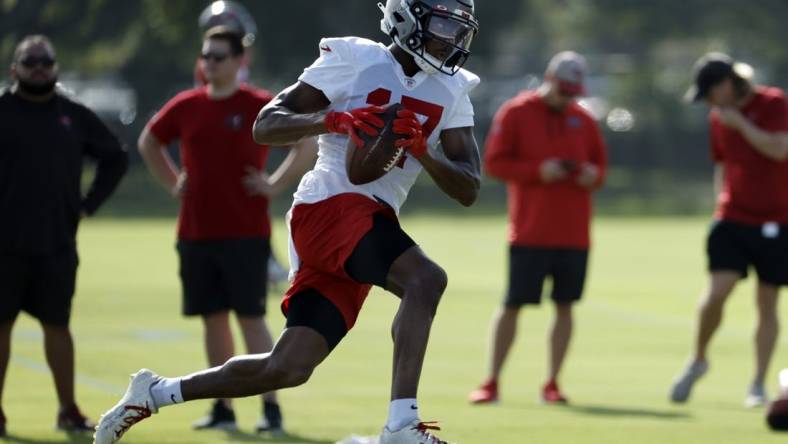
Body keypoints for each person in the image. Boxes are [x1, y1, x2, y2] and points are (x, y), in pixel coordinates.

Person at [94, 1, 480, 443]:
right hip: (329, 205)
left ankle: (155, 392)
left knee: (289, 366)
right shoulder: (357, 59)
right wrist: (330, 119)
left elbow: (468, 187)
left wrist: (425, 153)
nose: (452, 37)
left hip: (367, 221)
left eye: (459, 27)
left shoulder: (453, 89)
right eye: (444, 23)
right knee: (426, 280)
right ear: (407, 18)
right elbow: (266, 124)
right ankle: (401, 425)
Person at [136, 27, 316, 434]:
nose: (210, 63)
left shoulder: (257, 103)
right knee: (213, 320)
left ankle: (271, 409)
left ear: (238, 61)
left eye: (219, 56)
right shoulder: (186, 105)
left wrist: (274, 184)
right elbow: (150, 141)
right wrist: (172, 181)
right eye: (206, 56)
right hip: (196, 233)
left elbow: (305, 143)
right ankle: (223, 406)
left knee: (251, 318)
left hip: (245, 233)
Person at [0, 35, 128, 436]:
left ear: (55, 67)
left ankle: (68, 409)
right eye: (30, 61)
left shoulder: (72, 114)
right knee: (0, 325)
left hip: (56, 243)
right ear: (14, 68)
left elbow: (116, 157)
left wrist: (88, 204)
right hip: (3, 245)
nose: (39, 67)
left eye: (46, 61)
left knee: (58, 325)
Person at [469, 51, 607, 405]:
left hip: (575, 234)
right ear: (548, 78)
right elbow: (495, 163)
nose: (568, 98)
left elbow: (601, 169)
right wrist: (538, 171)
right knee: (513, 304)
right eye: (563, 90)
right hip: (530, 231)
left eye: (573, 92)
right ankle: (492, 382)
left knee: (565, 306)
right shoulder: (516, 112)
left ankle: (553, 383)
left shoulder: (584, 119)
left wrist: (591, 175)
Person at [670, 52, 788, 407]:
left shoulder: (773, 103)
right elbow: (722, 166)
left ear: (726, 84)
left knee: (767, 304)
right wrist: (719, 204)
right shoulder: (717, 119)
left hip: (778, 220)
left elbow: (780, 149)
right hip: (733, 217)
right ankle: (699, 358)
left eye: (709, 92)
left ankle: (756, 384)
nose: (708, 102)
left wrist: (741, 124)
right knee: (717, 292)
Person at [195, 0, 292, 288]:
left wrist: (275, 182)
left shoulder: (241, 72)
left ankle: (264, 259)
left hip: (239, 138)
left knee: (252, 199)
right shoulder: (212, 63)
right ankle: (260, 261)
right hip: (220, 139)